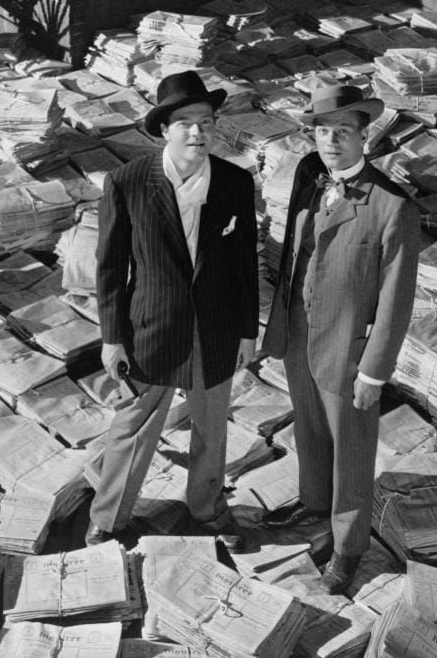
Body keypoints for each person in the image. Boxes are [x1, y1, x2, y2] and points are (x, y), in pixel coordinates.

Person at [86, 70, 259, 550]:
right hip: (152, 326)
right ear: (164, 129)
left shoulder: (234, 182)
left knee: (211, 427)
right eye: (185, 122)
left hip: (217, 326)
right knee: (135, 425)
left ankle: (207, 509)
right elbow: (110, 267)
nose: (197, 132)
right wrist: (112, 338)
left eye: (206, 121)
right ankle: (108, 517)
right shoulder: (127, 182)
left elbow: (245, 263)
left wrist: (248, 331)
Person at [262, 84, 420, 593]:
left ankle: (349, 547)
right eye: (324, 131)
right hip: (298, 334)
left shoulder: (392, 207)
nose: (332, 141)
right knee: (310, 429)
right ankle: (315, 507)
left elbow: (396, 299)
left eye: (343, 132)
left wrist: (374, 372)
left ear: (364, 137)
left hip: (347, 348)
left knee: (350, 449)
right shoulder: (310, 179)